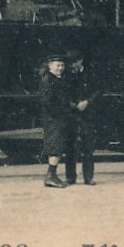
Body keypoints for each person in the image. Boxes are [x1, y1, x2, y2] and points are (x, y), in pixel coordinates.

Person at [39, 52, 74, 188]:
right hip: (54, 118)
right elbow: (47, 101)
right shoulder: (48, 80)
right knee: (55, 145)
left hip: (58, 117)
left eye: (62, 65)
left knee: (57, 145)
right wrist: (61, 111)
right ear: (50, 66)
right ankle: (50, 176)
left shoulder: (57, 79)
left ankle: (52, 175)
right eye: (57, 65)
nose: (60, 68)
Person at [65, 49, 98, 186]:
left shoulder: (90, 74)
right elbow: (64, 94)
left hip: (87, 115)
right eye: (70, 63)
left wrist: (88, 102)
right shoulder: (67, 76)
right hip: (72, 114)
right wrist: (73, 105)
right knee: (70, 146)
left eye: (74, 62)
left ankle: (88, 177)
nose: (72, 66)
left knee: (88, 147)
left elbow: (97, 91)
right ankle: (70, 177)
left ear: (80, 61)